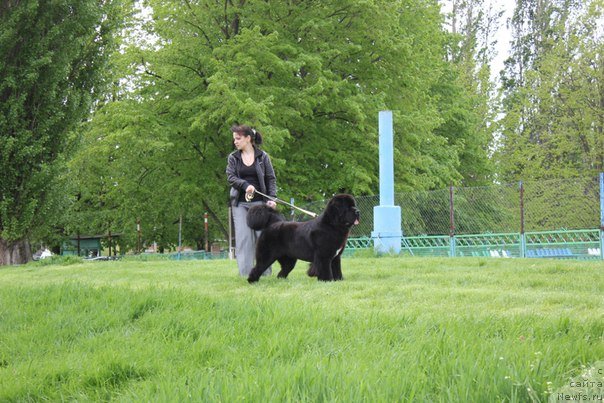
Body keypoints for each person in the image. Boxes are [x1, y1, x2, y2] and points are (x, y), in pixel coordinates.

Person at [226, 124, 277, 277]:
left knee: (263, 238)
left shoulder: (263, 157)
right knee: (244, 240)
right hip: (240, 204)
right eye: (234, 139)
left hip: (261, 204)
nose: (235, 141)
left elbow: (271, 179)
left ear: (248, 139)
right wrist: (245, 185)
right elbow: (231, 177)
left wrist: (272, 198)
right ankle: (246, 275)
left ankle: (265, 273)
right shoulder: (233, 158)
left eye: (238, 138)